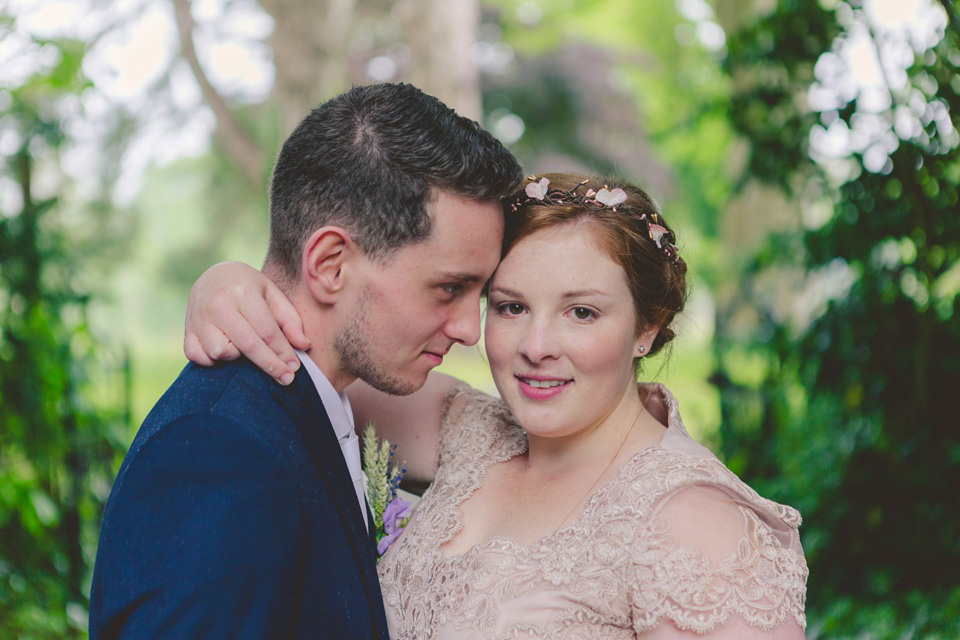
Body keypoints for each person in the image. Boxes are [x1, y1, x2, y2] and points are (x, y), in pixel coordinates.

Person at [185, 172, 809, 638]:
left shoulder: (699, 526)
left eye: (581, 312)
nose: (536, 347)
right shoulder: (467, 431)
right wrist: (230, 284)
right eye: (511, 307)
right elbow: (319, 353)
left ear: (648, 327)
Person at [88, 82, 523, 640]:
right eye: (448, 288)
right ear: (330, 264)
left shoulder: (318, 405)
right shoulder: (221, 452)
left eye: (482, 296)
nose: (469, 329)